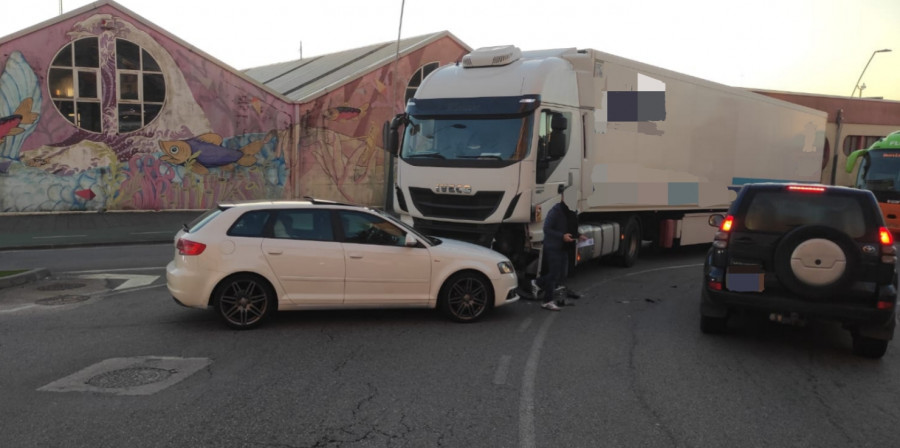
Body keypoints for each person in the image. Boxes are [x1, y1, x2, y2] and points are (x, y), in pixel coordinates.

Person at [531, 187, 586, 311]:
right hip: (553, 247)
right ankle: (547, 301)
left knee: (562, 274)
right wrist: (562, 236)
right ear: (562, 197)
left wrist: (578, 235)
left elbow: (570, 228)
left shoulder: (572, 211)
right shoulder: (555, 211)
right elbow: (547, 229)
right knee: (554, 274)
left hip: (565, 247)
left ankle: (539, 283)